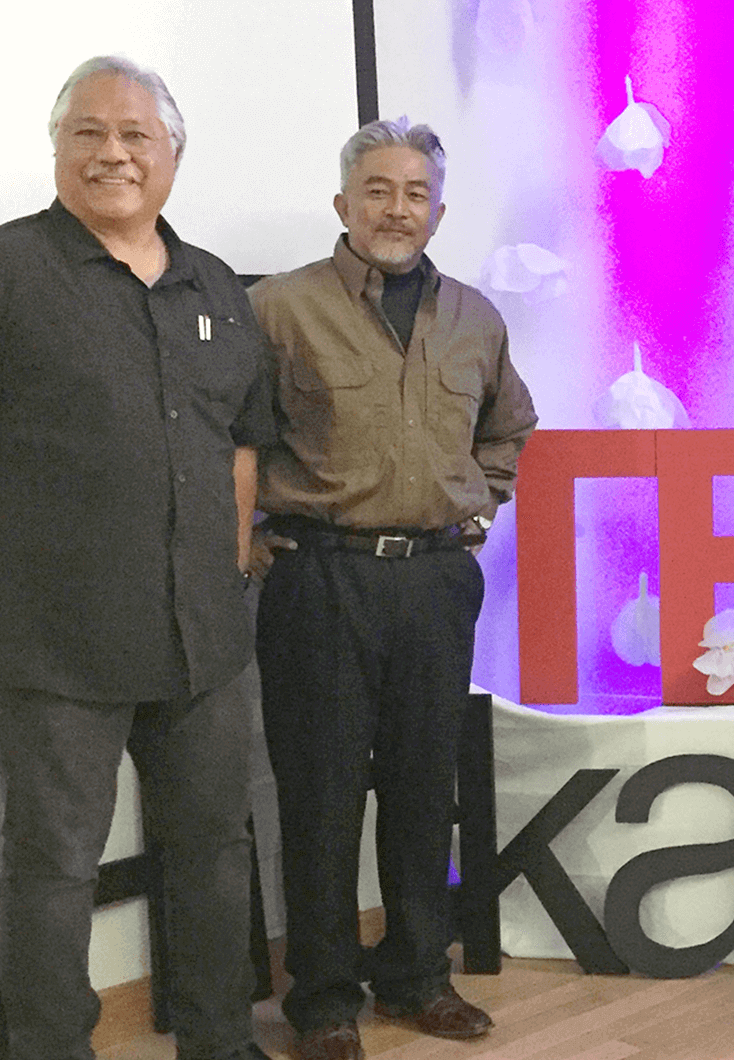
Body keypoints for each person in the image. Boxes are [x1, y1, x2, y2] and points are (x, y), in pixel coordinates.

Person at [0, 57, 274, 1060]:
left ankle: (217, 1040)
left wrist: (232, 564)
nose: (111, 152)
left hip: (202, 637)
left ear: (172, 154)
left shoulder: (217, 287)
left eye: (134, 135)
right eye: (88, 132)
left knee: (213, 853)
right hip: (53, 645)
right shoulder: (12, 271)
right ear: (58, 146)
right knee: (51, 868)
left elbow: (241, 443)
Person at [249, 117, 536, 1060]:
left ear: (438, 210)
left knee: (424, 791)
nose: (396, 208)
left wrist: (475, 499)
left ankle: (418, 977)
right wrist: (245, 530)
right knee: (322, 797)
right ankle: (325, 1002)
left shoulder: (476, 318)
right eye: (377, 189)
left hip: (437, 582)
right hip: (320, 579)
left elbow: (509, 430)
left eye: (415, 193)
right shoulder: (280, 310)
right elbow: (234, 438)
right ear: (343, 203)